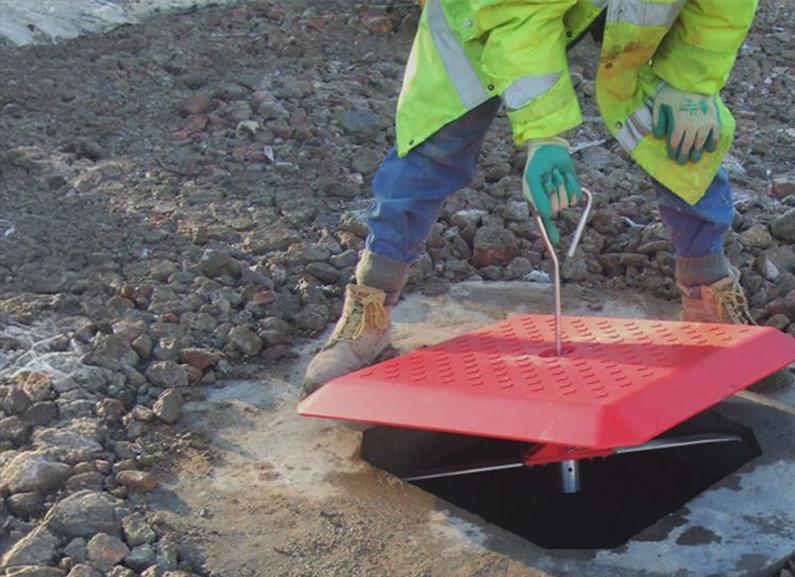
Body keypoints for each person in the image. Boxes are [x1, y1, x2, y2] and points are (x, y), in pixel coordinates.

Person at [301, 0, 759, 397]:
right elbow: (519, 19)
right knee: (437, 138)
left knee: (684, 129)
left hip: (638, 14)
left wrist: (692, 82)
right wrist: (544, 135)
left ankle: (708, 298)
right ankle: (370, 308)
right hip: (490, 12)